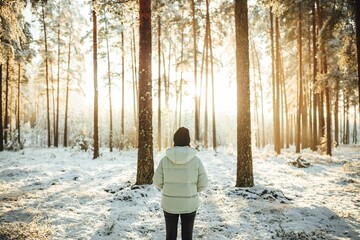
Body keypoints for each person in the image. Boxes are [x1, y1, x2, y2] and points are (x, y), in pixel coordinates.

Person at [153, 127, 208, 240]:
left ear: (175, 141)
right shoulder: (196, 160)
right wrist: (191, 190)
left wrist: (167, 189)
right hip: (189, 203)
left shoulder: (165, 160)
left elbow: (157, 181)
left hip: (169, 203)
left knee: (170, 236)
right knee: (187, 236)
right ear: (188, 141)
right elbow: (203, 184)